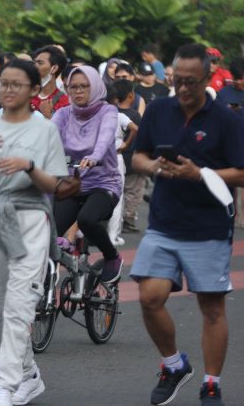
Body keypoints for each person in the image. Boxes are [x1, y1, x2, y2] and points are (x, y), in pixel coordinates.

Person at [131, 44, 244, 406]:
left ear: (208, 79)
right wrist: (152, 167)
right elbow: (138, 155)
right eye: (177, 80)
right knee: (149, 297)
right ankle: (174, 365)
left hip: (209, 227)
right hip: (163, 222)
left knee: (212, 308)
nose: (182, 89)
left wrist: (200, 174)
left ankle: (211, 382)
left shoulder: (227, 119)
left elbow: (241, 172)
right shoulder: (160, 110)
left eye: (191, 83)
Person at [0, 59, 68, 406]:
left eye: (16, 84)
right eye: (4, 83)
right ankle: (28, 375)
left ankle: (4, 387)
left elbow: (55, 183)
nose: (8, 89)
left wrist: (29, 166)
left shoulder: (45, 128)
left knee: (21, 302)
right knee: (0, 306)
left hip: (31, 214)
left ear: (34, 90)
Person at [52, 65, 124, 284]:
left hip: (104, 184)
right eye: (73, 87)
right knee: (47, 230)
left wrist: (95, 156)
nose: (78, 91)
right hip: (72, 185)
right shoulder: (63, 114)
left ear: (95, 87)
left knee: (86, 219)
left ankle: (112, 257)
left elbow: (104, 138)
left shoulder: (108, 111)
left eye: (84, 86)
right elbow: (46, 136)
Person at [113, 79, 145, 233]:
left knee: (116, 190)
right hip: (131, 159)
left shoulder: (110, 113)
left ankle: (113, 219)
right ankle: (128, 220)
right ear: (131, 95)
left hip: (114, 158)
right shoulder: (135, 115)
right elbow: (141, 135)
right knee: (133, 191)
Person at [30, 45, 69, 119]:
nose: (35, 66)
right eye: (34, 63)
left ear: (54, 68)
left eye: (40, 63)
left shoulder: (66, 103)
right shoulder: (25, 98)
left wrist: (48, 116)